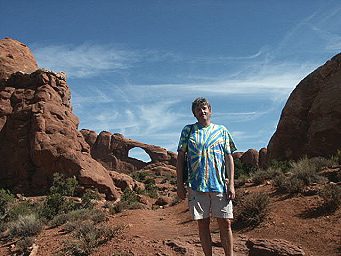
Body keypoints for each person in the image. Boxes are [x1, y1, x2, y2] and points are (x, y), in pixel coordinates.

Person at [176, 97, 237, 256]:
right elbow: (181, 158)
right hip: (197, 186)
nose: (202, 111)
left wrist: (231, 184)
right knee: (203, 224)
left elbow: (229, 157)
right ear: (194, 114)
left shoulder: (222, 130)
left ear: (210, 110)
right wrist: (179, 184)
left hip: (219, 185)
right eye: (198, 109)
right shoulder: (188, 130)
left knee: (225, 223)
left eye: (204, 108)